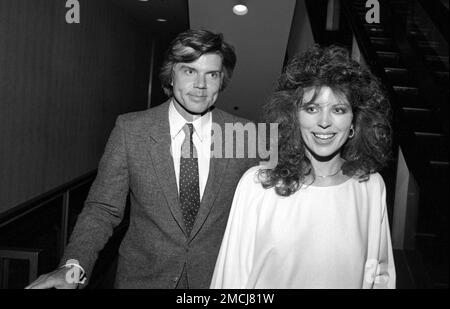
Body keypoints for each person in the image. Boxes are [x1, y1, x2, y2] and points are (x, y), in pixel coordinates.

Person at [26, 29, 257, 289]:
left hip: (216, 283)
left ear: (221, 79)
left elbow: (264, 213)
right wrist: (71, 268)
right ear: (171, 74)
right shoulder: (130, 129)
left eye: (211, 74)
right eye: (189, 71)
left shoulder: (244, 135)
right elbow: (102, 209)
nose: (201, 85)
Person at [210, 45, 396, 289]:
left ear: (354, 122)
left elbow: (380, 277)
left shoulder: (370, 186)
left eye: (338, 110)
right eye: (312, 108)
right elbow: (230, 279)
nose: (325, 122)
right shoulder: (259, 184)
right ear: (293, 116)